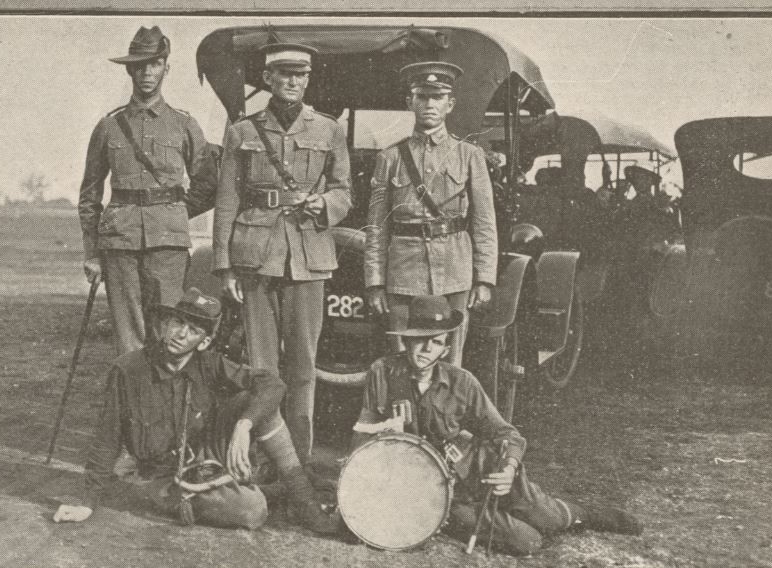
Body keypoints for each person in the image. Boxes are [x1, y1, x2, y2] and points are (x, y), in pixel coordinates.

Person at [350, 295, 643, 556]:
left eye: (437, 341)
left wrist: (508, 469)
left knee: (548, 519)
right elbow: (362, 434)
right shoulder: (384, 372)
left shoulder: (461, 382)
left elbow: (508, 435)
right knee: (527, 542)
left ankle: (585, 515)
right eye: (420, 339)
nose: (427, 348)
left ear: (445, 347)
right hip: (436, 491)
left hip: (480, 471)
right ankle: (491, 516)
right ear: (407, 340)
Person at [53, 288, 340, 534]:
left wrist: (244, 425)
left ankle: (304, 502)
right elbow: (107, 438)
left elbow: (272, 384)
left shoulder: (209, 363)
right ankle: (278, 490)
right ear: (165, 324)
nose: (180, 333)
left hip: (207, 452)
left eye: (193, 330)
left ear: (203, 342)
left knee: (258, 404)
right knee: (253, 512)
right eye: (177, 322)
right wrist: (86, 503)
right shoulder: (129, 370)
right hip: (165, 475)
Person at [213, 42, 352, 463]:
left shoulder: (328, 130)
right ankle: (261, 459)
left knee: (304, 367)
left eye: (301, 75)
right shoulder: (243, 130)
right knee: (262, 367)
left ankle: (299, 464)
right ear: (269, 78)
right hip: (255, 255)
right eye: (284, 74)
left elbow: (345, 191)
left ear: (308, 79)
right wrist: (224, 266)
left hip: (309, 255)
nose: (293, 81)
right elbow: (227, 200)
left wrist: (325, 205)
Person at [79, 26, 218, 355]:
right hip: (119, 243)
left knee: (169, 331)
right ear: (129, 69)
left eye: (154, 64)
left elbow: (207, 183)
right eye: (140, 65)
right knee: (128, 338)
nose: (146, 72)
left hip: (168, 244)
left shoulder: (184, 124)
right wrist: (92, 253)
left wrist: (176, 212)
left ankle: (164, 406)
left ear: (166, 68)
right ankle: (134, 404)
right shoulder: (108, 126)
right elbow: (89, 195)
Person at [365, 61, 497, 367]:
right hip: (403, 274)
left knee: (451, 358)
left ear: (450, 104)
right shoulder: (390, 157)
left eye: (437, 98)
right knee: (401, 358)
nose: (429, 105)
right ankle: (404, 415)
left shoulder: (469, 156)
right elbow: (376, 228)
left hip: (455, 270)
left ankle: (444, 415)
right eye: (422, 97)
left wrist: (484, 279)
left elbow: (484, 223)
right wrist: (375, 282)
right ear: (410, 102)